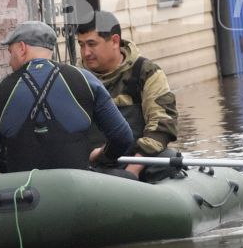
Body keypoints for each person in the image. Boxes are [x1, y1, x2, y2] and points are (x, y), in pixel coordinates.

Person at [0, 22, 133, 174]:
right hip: (78, 190)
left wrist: (16, 170)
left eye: (10, 52)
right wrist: (100, 157)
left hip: (26, 192)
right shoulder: (85, 80)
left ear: (22, 48)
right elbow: (122, 137)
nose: (9, 61)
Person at [75, 11, 180, 176]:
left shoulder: (146, 73)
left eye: (92, 44)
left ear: (115, 41)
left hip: (135, 161)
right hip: (92, 167)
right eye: (81, 45)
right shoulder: (74, 79)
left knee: (169, 160)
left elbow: (162, 125)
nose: (86, 52)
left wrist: (133, 170)